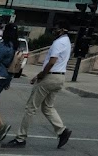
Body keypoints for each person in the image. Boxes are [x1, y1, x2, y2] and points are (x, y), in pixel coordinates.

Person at [7, 19, 72, 149]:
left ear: (63, 29)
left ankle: (20, 138)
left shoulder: (58, 42)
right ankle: (62, 131)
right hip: (59, 78)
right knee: (48, 107)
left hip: (50, 77)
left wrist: (41, 75)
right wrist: (38, 76)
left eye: (57, 28)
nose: (54, 30)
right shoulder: (67, 42)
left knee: (30, 108)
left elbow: (52, 61)